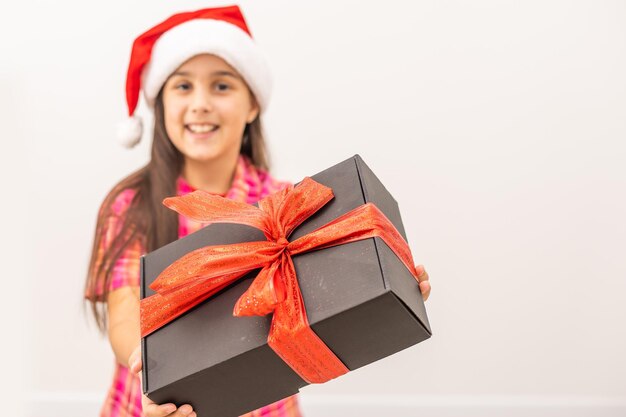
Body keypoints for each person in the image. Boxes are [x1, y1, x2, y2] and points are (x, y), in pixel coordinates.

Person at [85, 5, 431, 417]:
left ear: (252, 105)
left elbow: (325, 293)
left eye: (222, 86)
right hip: (155, 406)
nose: (200, 104)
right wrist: (146, 368)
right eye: (182, 87)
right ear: (160, 105)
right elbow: (124, 313)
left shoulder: (287, 204)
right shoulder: (131, 203)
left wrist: (386, 281)